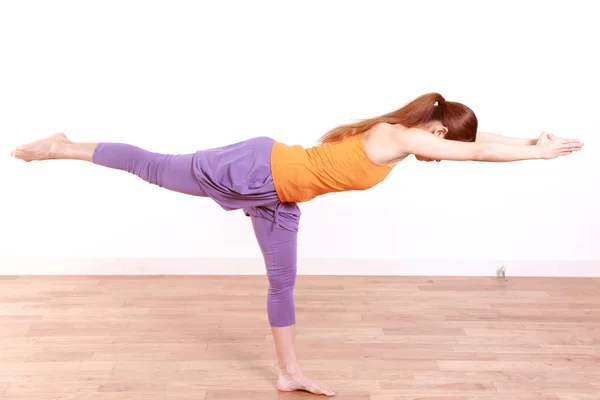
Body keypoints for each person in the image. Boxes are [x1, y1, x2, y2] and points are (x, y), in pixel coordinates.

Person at [10, 92, 583, 396]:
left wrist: (533, 138)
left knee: (283, 282)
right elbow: (477, 151)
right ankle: (62, 147)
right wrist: (538, 157)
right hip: (254, 165)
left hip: (277, 195)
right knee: (157, 167)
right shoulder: (398, 135)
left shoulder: (406, 137)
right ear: (435, 134)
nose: (442, 156)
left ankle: (289, 374)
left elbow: (477, 141)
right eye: (443, 147)